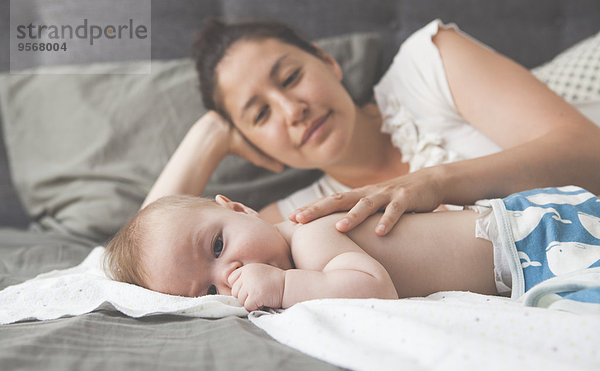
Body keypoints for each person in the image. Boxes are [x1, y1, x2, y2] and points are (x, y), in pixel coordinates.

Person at [143, 18, 600, 238]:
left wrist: (433, 183)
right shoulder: (305, 215)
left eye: (290, 78)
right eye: (260, 115)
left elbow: (588, 153)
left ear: (327, 61)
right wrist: (206, 137)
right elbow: (150, 252)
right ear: (254, 145)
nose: (292, 109)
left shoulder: (429, 63)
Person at [105, 186, 600, 311]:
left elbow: (373, 288)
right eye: (206, 289)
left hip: (533, 239)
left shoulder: (309, 235)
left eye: (217, 244)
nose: (230, 273)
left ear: (239, 208)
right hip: (523, 246)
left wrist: (280, 285)